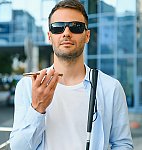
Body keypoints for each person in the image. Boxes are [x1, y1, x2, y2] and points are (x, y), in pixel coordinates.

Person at [10, 0, 134, 149]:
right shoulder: (28, 85)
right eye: (58, 28)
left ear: (87, 36)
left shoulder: (110, 88)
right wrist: (37, 108)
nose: (66, 33)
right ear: (49, 36)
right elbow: (18, 147)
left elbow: (122, 144)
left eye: (76, 27)